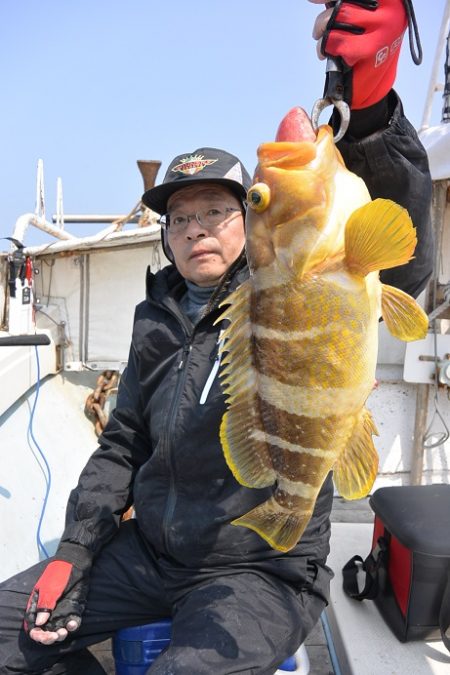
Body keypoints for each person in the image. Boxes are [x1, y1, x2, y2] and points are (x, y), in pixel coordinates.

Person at [0, 1, 434, 673]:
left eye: (219, 210)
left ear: (246, 224)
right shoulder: (157, 316)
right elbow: (122, 444)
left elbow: (403, 255)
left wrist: (371, 109)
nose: (197, 228)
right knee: (6, 629)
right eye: (179, 217)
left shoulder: (287, 285)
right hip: (152, 551)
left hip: (261, 568)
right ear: (166, 236)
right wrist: (73, 551)